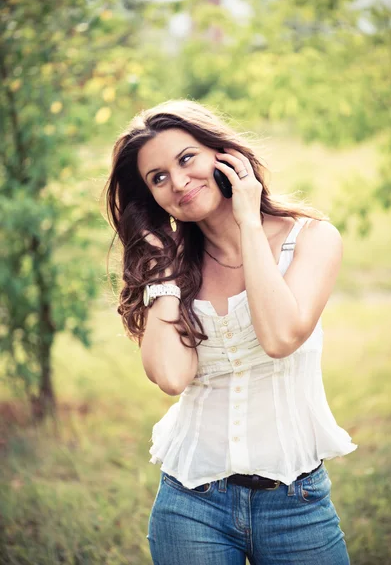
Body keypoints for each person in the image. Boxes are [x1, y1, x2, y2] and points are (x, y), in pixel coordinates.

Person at [104, 99, 357, 565]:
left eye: (186, 159)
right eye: (158, 177)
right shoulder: (173, 263)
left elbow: (280, 337)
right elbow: (171, 377)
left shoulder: (312, 238)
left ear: (223, 154)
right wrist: (162, 274)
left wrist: (246, 220)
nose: (179, 182)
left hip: (295, 505)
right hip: (190, 503)